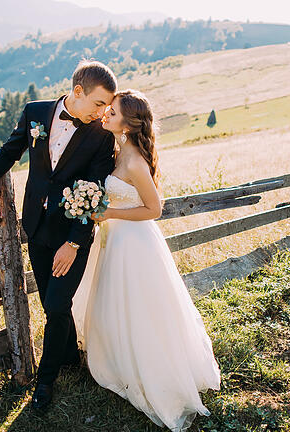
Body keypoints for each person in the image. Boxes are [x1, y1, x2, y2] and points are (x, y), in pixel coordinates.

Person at [0, 60, 117, 412]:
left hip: (71, 236)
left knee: (57, 305)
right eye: (98, 104)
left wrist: (75, 243)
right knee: (53, 305)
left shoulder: (101, 135)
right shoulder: (36, 112)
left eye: (107, 107)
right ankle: (70, 358)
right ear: (78, 92)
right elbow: (10, 151)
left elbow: (96, 190)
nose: (102, 112)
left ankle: (45, 383)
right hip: (35, 227)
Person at [72, 89, 221, 431]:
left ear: (128, 123)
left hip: (134, 243)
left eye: (113, 111)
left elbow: (154, 209)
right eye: (106, 109)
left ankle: (151, 371)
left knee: (140, 308)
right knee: (115, 304)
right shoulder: (118, 150)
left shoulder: (135, 161)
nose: (106, 114)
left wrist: (108, 211)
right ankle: (120, 363)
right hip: (115, 238)